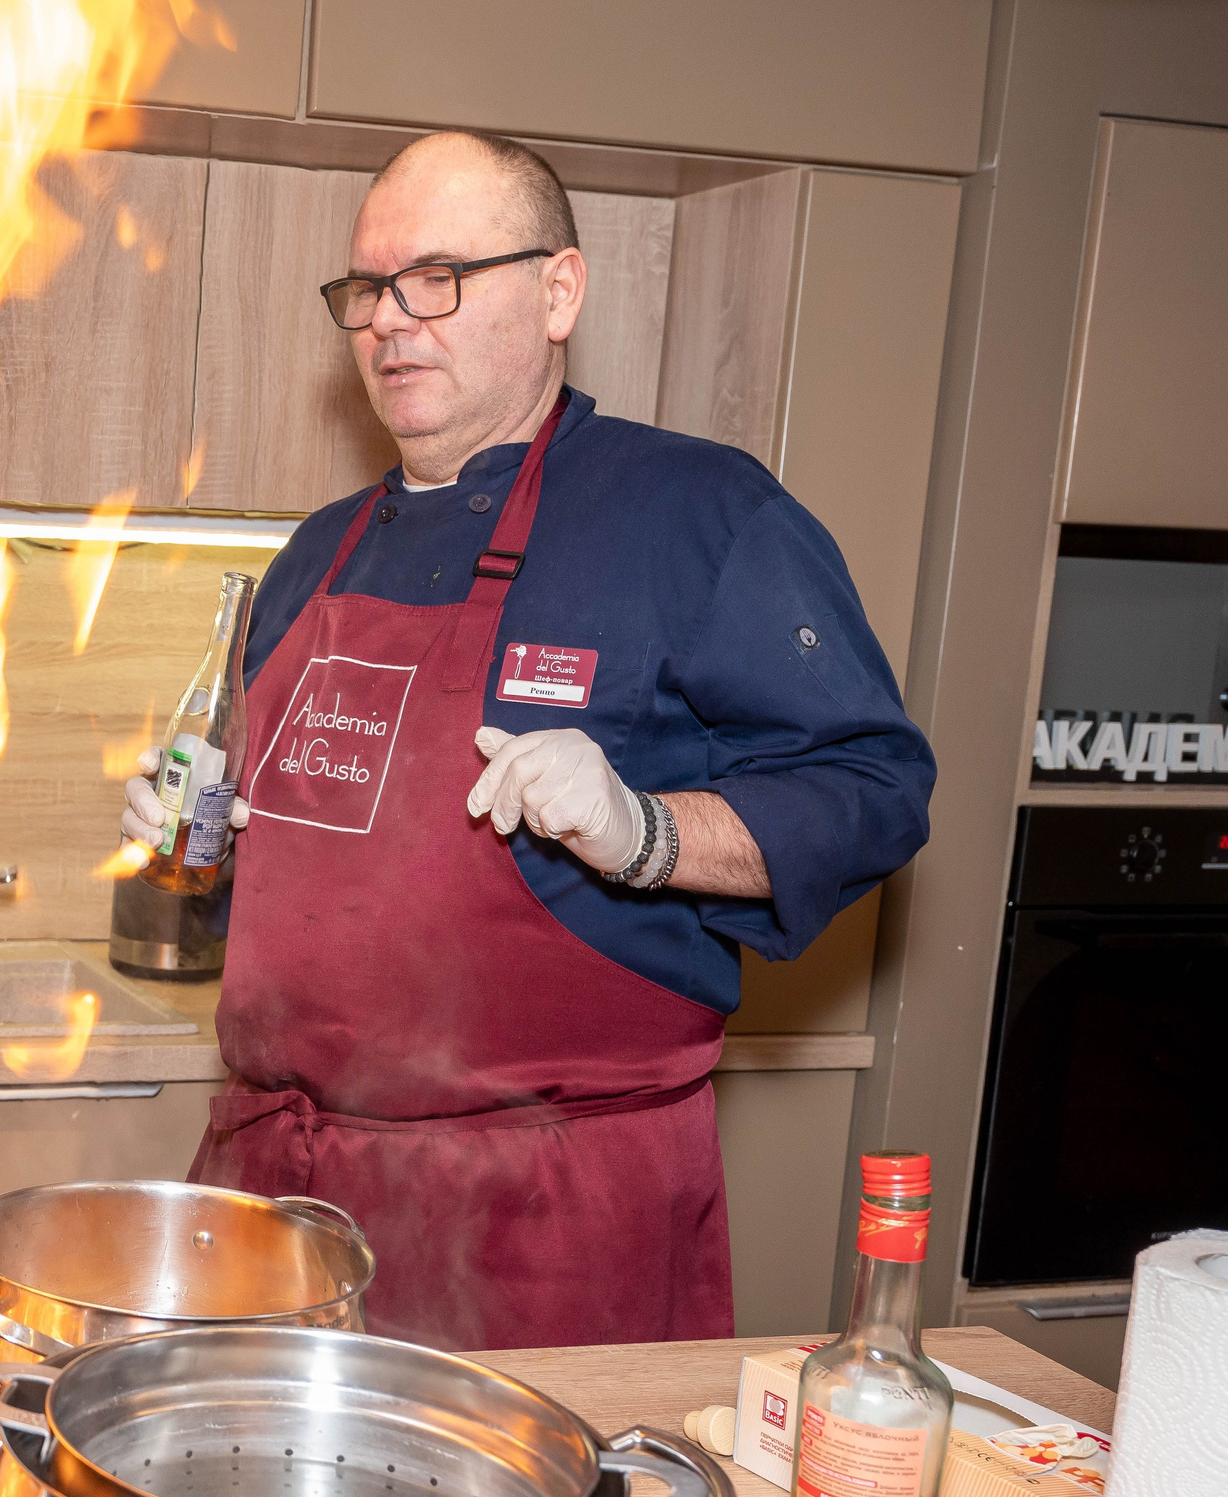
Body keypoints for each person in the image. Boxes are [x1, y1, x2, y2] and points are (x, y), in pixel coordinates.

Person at [120, 131, 934, 1351]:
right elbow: (333, 872)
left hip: (542, 1227)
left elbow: (873, 789)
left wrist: (646, 831)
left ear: (559, 290)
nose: (391, 321)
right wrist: (198, 845)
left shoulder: (696, 517)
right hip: (277, 1209)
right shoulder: (313, 553)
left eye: (436, 278)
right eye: (368, 290)